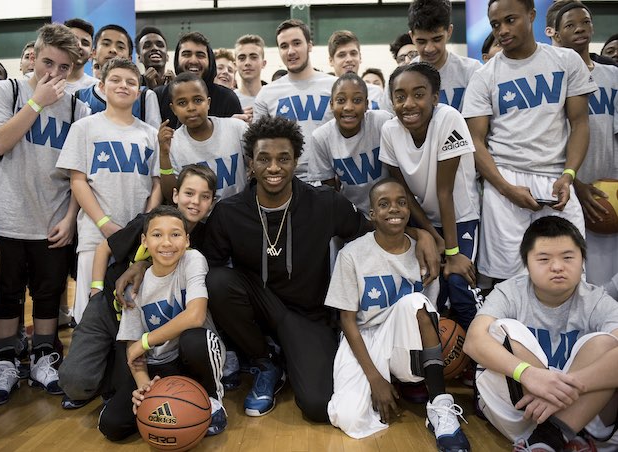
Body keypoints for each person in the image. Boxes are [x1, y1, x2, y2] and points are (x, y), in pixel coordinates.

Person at [189, 115, 438, 422]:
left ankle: (290, 354)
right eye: (263, 159)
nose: (274, 168)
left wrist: (419, 233)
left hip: (307, 314)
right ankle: (265, 362)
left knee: (319, 404)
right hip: (259, 302)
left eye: (284, 158)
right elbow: (204, 266)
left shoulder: (324, 202)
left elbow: (369, 231)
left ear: (296, 161)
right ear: (250, 163)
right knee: (216, 281)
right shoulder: (229, 212)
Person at [0, 23, 90, 407]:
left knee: (48, 296)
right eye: (47, 63)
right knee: (7, 295)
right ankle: (7, 363)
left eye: (63, 68)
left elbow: (81, 171)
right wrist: (36, 102)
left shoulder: (80, 107)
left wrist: (71, 215)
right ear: (36, 54)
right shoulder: (6, 90)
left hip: (54, 216)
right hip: (7, 214)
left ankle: (45, 358)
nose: (53, 74)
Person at [326, 179, 470, 452]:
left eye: (401, 202)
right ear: (372, 214)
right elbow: (347, 321)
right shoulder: (352, 255)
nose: (395, 209)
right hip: (364, 336)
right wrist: (375, 379)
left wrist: (423, 236)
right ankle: (390, 382)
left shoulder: (423, 251)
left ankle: (440, 406)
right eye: (384, 204)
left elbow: (428, 312)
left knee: (416, 301)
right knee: (348, 418)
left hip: (402, 335)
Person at [59, 165, 216, 409]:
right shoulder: (149, 220)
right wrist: (96, 291)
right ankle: (106, 362)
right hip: (111, 305)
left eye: (204, 197)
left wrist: (143, 265)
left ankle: (114, 370)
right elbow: (104, 248)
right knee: (75, 384)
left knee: (127, 385)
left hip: (142, 319)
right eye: (189, 193)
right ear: (175, 195)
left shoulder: (205, 239)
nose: (195, 202)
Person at [462, 0, 596, 283]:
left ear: (531, 15)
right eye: (496, 24)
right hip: (505, 181)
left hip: (557, 178)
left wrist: (569, 175)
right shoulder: (484, 76)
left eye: (511, 20)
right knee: (510, 281)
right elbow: (475, 140)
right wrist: (505, 188)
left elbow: (580, 123)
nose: (503, 30)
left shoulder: (566, 61)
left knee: (568, 275)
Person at [464, 216, 618, 452]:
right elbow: (473, 342)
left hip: (582, 414)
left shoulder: (596, 300)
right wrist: (528, 375)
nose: (557, 267)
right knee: (502, 330)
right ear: (526, 263)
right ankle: (557, 436)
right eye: (544, 259)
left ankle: (552, 436)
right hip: (524, 412)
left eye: (568, 257)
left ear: (582, 261)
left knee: (604, 343)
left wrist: (564, 391)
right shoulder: (510, 292)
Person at [99, 206, 227, 440]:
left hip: (191, 358)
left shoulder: (192, 260)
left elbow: (195, 315)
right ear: (144, 240)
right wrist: (145, 386)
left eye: (176, 234)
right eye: (157, 235)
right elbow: (132, 346)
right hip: (157, 364)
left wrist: (145, 341)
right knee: (112, 426)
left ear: (187, 240)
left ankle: (213, 400)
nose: (167, 243)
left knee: (195, 337)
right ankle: (170, 411)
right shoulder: (134, 288)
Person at [57, 57, 162, 323]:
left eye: (131, 82)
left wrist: (145, 226)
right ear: (102, 87)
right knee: (91, 313)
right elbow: (77, 181)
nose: (123, 86)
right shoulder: (85, 128)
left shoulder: (150, 134)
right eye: (115, 80)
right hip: (95, 234)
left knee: (131, 309)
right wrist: (104, 223)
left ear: (139, 92)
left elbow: (157, 184)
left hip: (137, 240)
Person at [380, 62, 480, 336]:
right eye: (400, 96)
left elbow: (444, 192)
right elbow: (404, 194)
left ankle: (480, 354)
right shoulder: (389, 131)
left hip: (460, 218)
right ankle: (432, 355)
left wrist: (451, 251)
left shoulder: (449, 119)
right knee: (425, 285)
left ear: (435, 97)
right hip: (425, 219)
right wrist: (428, 233)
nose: (408, 103)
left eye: (419, 94)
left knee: (459, 282)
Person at [553, 1, 618, 290]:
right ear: (555, 34)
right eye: (570, 25)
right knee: (579, 279)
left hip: (610, 186)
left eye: (586, 21)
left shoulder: (613, 76)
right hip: (572, 187)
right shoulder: (554, 80)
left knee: (609, 280)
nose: (580, 28)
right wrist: (574, 181)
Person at [254, 19, 337, 182]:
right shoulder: (267, 93)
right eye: (284, 46)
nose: (291, 51)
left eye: (297, 43)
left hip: (330, 179)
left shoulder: (334, 86)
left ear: (310, 46)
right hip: (285, 182)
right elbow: (258, 145)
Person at [310, 73, 392, 215]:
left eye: (357, 100)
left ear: (366, 105)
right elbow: (330, 191)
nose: (348, 107)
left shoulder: (382, 121)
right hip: (352, 214)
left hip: (389, 209)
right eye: (341, 100)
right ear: (331, 104)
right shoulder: (321, 137)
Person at [158, 72, 247, 203]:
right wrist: (164, 154)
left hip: (239, 214)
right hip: (199, 220)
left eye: (198, 100)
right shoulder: (171, 143)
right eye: (182, 103)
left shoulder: (236, 128)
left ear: (208, 102)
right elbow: (171, 196)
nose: (191, 108)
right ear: (173, 109)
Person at [74, 24, 162, 129]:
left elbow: (155, 141)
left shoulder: (145, 96)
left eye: (120, 47)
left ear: (129, 58)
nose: (113, 50)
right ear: (94, 53)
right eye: (106, 44)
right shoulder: (80, 96)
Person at [154, 32, 244, 129]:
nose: (193, 61)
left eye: (200, 55)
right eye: (186, 54)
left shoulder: (228, 98)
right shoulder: (159, 96)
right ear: (177, 59)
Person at [408, 0, 481, 112]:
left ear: (449, 32)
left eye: (437, 39)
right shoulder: (402, 79)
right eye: (421, 41)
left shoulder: (471, 71)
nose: (429, 48)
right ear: (411, 36)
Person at [326, 30, 385, 110]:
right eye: (342, 55)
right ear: (331, 61)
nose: (349, 59)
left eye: (353, 53)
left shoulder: (376, 93)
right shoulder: (325, 93)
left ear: (360, 57)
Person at [62, 18, 97, 94]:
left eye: (85, 43)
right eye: (73, 40)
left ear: (91, 55)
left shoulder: (96, 87)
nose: (79, 45)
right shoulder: (38, 80)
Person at [234, 34, 267, 113]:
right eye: (242, 58)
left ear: (263, 63)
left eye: (253, 57)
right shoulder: (228, 100)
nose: (247, 63)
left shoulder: (273, 97)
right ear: (235, 65)